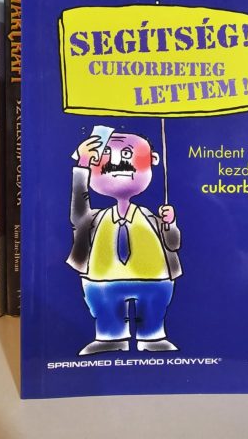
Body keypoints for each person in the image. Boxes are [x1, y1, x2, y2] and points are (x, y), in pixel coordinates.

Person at [68, 130, 182, 355]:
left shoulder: (151, 217)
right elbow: (78, 215)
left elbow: (173, 243)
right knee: (105, 309)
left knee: (153, 309)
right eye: (107, 155)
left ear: (153, 160)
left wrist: (170, 223)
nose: (117, 163)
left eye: (128, 154)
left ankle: (152, 335)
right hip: (102, 280)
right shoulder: (96, 218)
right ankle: (110, 337)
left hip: (154, 279)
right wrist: (82, 166)